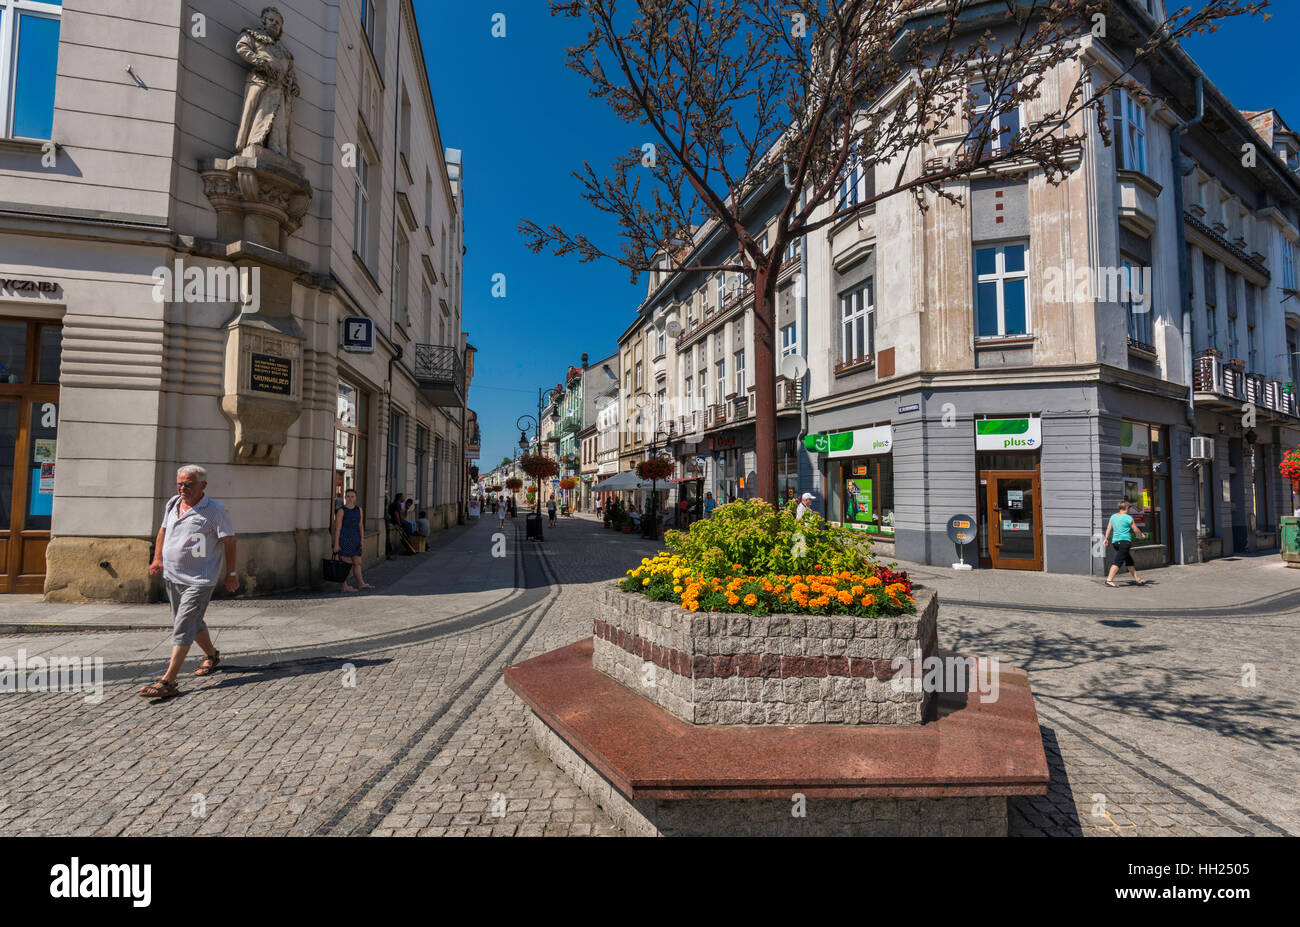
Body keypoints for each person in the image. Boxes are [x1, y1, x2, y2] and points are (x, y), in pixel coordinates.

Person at [140, 465, 237, 699]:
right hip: (173, 575)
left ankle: (169, 680)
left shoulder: (215, 511)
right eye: (180, 484)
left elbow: (230, 541)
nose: (182, 488)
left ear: (203, 485)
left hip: (200, 579)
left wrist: (231, 573)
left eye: (188, 484)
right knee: (190, 621)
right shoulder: (173, 503)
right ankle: (212, 655)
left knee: (183, 624)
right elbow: (163, 530)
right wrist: (157, 558)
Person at [332, 487, 372, 593]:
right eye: (348, 496)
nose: (350, 498)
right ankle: (344, 586)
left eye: (352, 496)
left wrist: (362, 540)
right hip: (344, 539)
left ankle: (361, 584)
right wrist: (336, 544)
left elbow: (360, 526)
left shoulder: (359, 510)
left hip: (356, 539)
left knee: (357, 562)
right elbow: (338, 528)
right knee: (344, 564)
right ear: (345, 497)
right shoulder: (341, 510)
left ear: (355, 498)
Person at [1104, 500, 1147, 587]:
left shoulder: (1113, 516)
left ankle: (1137, 579)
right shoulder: (1128, 518)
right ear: (1127, 508)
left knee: (1129, 561)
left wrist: (1106, 538)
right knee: (1118, 561)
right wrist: (1141, 535)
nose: (1130, 510)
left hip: (1115, 542)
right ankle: (1109, 580)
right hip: (1124, 542)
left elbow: (1108, 528)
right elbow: (1136, 530)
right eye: (1129, 508)